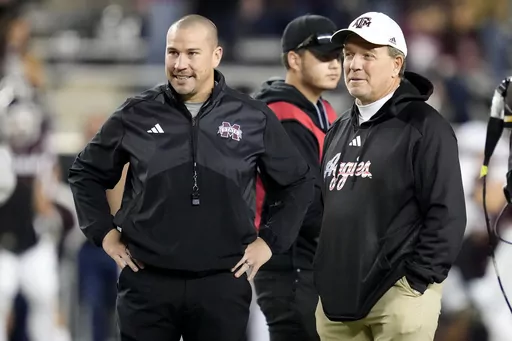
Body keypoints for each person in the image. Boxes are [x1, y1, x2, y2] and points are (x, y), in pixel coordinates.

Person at [68, 14, 314, 341]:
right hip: (147, 283)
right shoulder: (135, 113)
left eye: (192, 53)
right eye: (173, 52)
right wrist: (104, 233)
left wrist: (269, 242)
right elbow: (85, 173)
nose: (180, 63)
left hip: (222, 283)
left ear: (216, 56)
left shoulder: (252, 116)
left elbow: (297, 182)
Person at [314, 12, 467, 341]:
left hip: (396, 297)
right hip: (337, 303)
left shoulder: (426, 127)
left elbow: (447, 214)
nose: (354, 64)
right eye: (349, 55)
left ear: (397, 64)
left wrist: (416, 282)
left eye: (368, 55)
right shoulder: (338, 130)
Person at [252, 14, 341, 341]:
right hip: (290, 266)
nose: (334, 64)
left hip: (309, 263)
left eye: (337, 56)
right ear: (293, 58)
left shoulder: (320, 110)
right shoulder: (283, 115)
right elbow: (307, 201)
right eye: (322, 56)